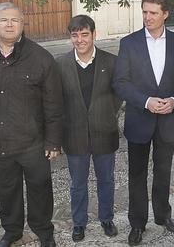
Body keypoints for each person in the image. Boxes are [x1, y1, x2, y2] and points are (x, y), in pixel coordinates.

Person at [0, 2, 62, 247]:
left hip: (33, 143)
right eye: (4, 20)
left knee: (40, 189)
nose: (9, 25)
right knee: (6, 192)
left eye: (15, 20)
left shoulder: (41, 58)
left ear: (23, 23)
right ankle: (12, 232)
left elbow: (53, 104)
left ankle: (44, 231)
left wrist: (53, 141)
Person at [113, 0, 174, 246]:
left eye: (153, 13)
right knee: (137, 175)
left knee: (163, 172)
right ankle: (137, 224)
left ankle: (163, 216)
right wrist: (146, 101)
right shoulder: (129, 43)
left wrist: (173, 101)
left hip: (167, 122)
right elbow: (120, 82)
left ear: (165, 14)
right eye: (144, 12)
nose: (147, 17)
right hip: (139, 119)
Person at [56, 15, 121, 242]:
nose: (80, 40)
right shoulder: (60, 64)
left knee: (107, 180)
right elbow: (58, 101)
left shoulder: (111, 62)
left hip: (104, 132)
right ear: (70, 37)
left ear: (94, 34)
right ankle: (79, 223)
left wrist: (103, 114)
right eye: (75, 35)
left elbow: (118, 96)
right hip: (74, 135)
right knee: (77, 184)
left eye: (85, 34)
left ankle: (106, 218)